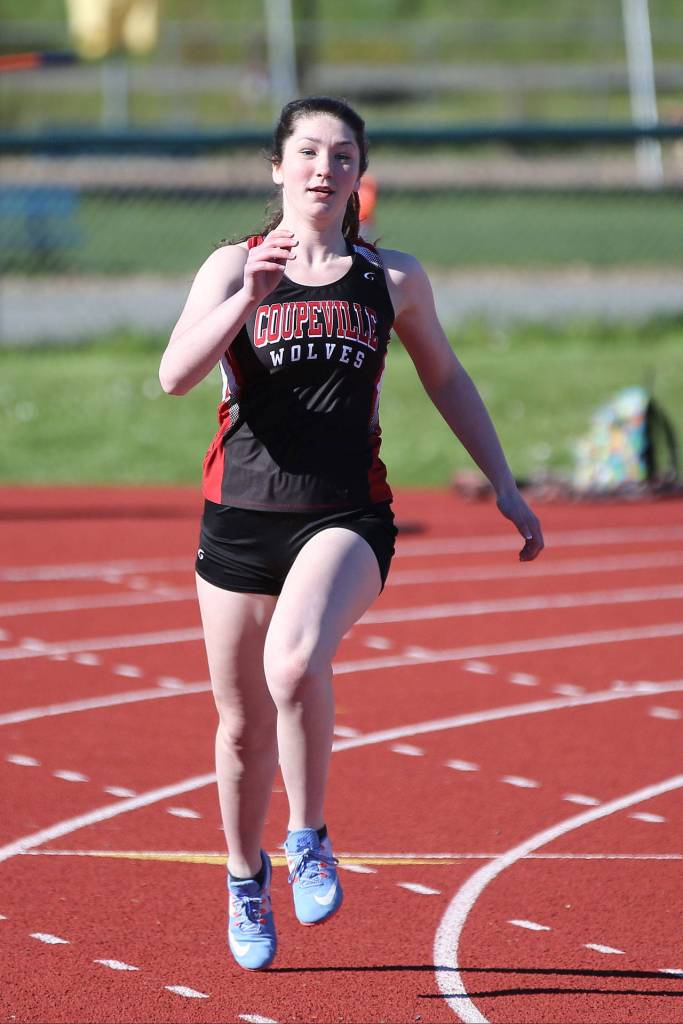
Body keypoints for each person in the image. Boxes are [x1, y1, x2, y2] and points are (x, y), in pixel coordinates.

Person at [159, 95, 544, 971]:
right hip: (238, 521)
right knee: (242, 726)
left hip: (345, 516)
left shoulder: (392, 279)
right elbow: (176, 375)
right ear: (277, 167)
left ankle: (307, 836)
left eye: (341, 155)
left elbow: (447, 379)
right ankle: (243, 876)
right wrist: (246, 296)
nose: (324, 169)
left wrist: (505, 484)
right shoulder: (230, 264)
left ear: (359, 175)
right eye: (307, 151)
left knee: (293, 663)